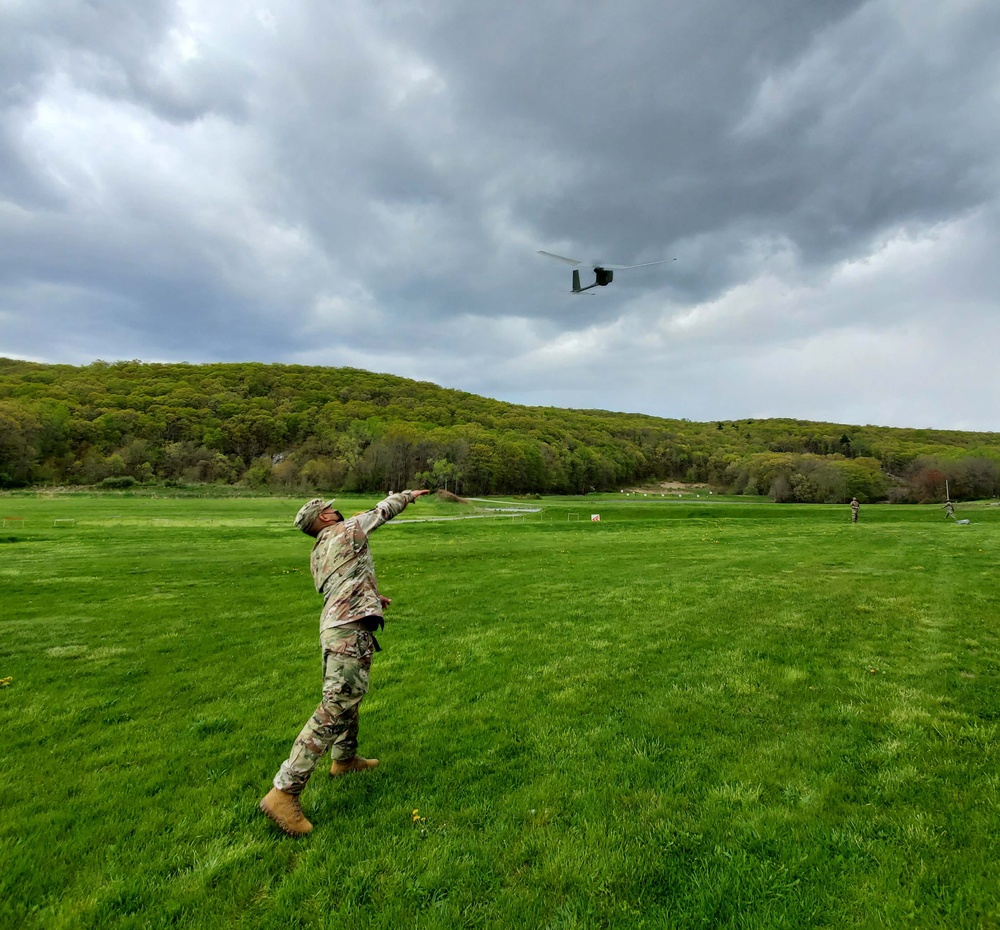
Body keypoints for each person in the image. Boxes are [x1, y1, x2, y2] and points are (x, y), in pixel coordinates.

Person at [260, 489, 432, 836]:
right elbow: (381, 511)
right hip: (347, 629)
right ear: (323, 517)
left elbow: (342, 583)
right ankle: (284, 790)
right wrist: (406, 496)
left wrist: (371, 596)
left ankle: (345, 759)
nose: (336, 510)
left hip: (338, 624)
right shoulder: (345, 531)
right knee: (336, 703)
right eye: (330, 508)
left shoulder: (318, 552)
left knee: (348, 696)